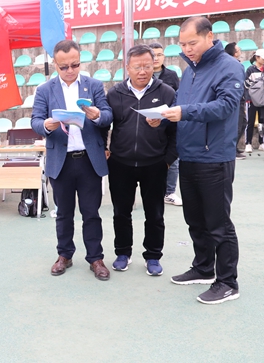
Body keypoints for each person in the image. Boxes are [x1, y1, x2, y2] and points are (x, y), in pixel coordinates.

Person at [162, 16, 245, 304]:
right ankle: (203, 267)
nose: (187, 49)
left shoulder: (229, 67)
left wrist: (184, 112)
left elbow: (225, 106)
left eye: (192, 43)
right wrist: (164, 116)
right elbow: (181, 104)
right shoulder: (190, 71)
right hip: (189, 155)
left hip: (214, 156)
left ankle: (228, 282)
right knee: (195, 220)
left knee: (218, 223)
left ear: (209, 36)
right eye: (182, 44)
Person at [31, 39, 113, 281]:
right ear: (55, 65)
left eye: (75, 65)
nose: (70, 70)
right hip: (61, 160)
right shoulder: (45, 90)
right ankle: (64, 255)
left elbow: (108, 115)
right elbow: (36, 120)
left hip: (88, 160)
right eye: (64, 66)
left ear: (80, 62)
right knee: (63, 213)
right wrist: (47, 125)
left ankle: (95, 258)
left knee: (91, 213)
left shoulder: (93, 85)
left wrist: (97, 115)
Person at [105, 44, 177, 276]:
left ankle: (153, 256)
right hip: (121, 164)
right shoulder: (115, 93)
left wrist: (167, 160)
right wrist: (105, 149)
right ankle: (122, 253)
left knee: (154, 214)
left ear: (153, 65)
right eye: (137, 67)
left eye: (147, 66)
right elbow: (104, 125)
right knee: (121, 212)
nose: (143, 71)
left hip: (155, 164)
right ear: (127, 67)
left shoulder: (166, 92)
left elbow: (177, 131)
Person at [149, 42, 183, 206]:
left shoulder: (171, 75)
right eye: (153, 55)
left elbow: (178, 97)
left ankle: (169, 192)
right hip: (148, 122)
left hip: (169, 122)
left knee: (173, 159)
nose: (156, 58)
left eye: (160, 55)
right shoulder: (143, 75)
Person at [224, 42, 249, 160]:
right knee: (237, 125)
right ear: (234, 52)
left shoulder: (236, 64)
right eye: (238, 49)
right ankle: (232, 150)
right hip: (235, 99)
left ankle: (235, 147)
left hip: (241, 98)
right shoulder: (230, 65)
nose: (240, 51)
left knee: (243, 123)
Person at [244, 49, 264, 154]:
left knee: (262, 122)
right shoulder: (250, 70)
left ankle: (261, 143)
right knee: (250, 122)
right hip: (252, 100)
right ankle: (248, 143)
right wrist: (250, 97)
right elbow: (246, 85)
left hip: (263, 101)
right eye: (263, 58)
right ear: (257, 58)